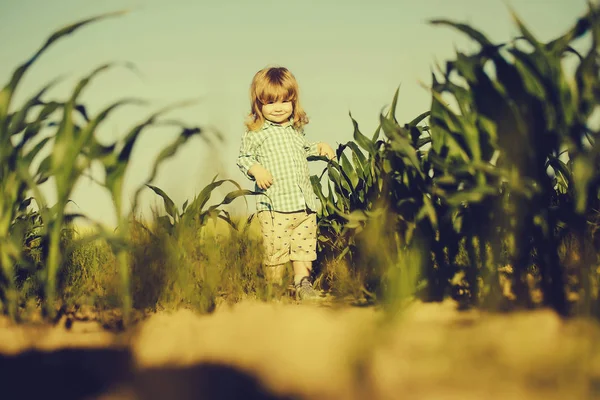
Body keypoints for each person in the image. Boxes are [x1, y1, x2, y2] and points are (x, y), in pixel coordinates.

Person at [236, 66, 335, 301]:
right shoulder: (257, 133)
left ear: (294, 102)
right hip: (275, 206)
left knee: (304, 248)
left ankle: (303, 284)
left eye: (284, 101)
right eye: (270, 102)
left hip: (303, 204)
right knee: (276, 252)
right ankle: (275, 289)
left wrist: (320, 147)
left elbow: (304, 149)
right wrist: (256, 169)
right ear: (258, 105)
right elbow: (243, 157)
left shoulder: (295, 131)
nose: (278, 107)